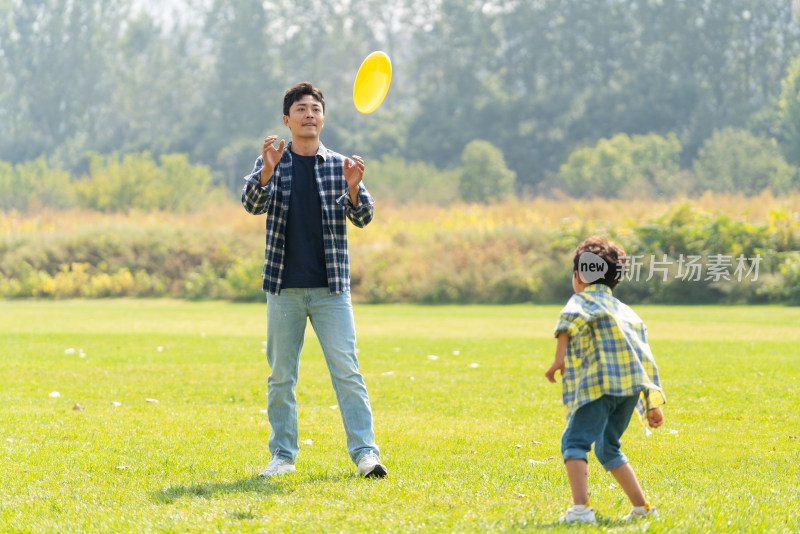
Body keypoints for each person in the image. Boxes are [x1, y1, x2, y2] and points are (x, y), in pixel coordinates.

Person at [241, 81, 386, 479]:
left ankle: (365, 455)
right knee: (281, 376)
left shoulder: (340, 165)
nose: (309, 115)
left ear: (323, 117)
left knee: (347, 372)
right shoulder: (271, 160)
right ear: (287, 120)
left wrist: (354, 189)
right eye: (301, 109)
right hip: (284, 289)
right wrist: (267, 170)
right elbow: (252, 204)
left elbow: (364, 217)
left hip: (331, 291)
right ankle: (282, 457)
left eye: (315, 109)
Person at [544, 236, 665, 523]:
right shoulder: (627, 312)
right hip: (629, 391)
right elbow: (643, 357)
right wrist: (651, 403)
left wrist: (559, 359)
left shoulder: (581, 300)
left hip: (599, 386)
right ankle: (642, 508)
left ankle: (581, 510)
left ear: (579, 276)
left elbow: (566, 322)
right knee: (607, 447)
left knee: (573, 442)